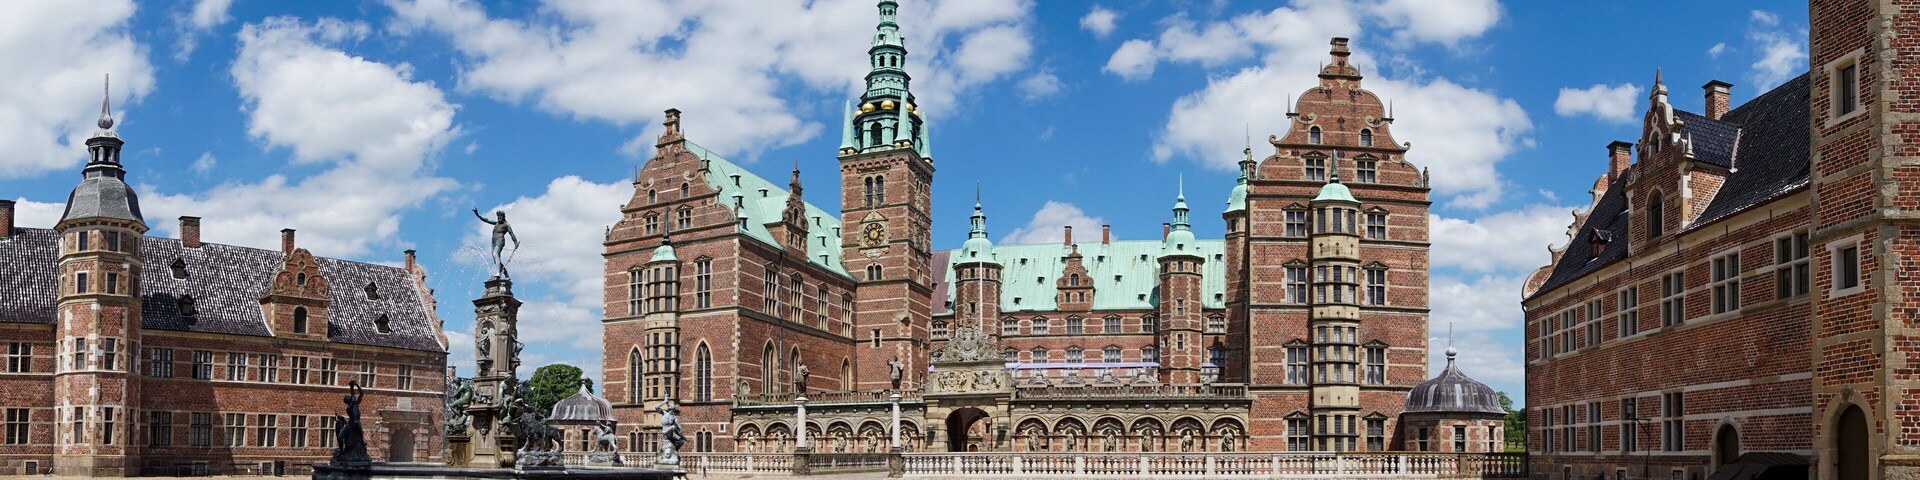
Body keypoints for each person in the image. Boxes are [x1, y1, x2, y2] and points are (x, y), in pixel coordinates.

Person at [473, 209, 520, 278]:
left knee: (495, 254)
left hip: (500, 240)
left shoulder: (506, 224)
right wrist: (478, 215)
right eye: (498, 217)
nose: (498, 218)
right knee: (496, 259)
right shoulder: (497, 223)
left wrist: (515, 243)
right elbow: (486, 220)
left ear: (503, 216)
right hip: (493, 241)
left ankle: (498, 273)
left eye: (500, 217)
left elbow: (512, 234)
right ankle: (506, 275)